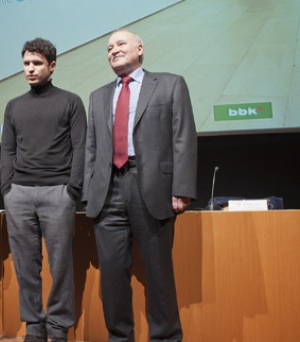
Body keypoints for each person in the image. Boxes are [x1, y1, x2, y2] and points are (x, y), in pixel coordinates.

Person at [83, 30, 197, 342]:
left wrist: (182, 187)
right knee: (112, 276)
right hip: (107, 191)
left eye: (120, 44)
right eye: (109, 48)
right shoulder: (97, 96)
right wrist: (88, 192)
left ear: (140, 48)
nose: (113, 50)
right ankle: (119, 338)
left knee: (158, 274)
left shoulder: (170, 84)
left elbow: (183, 138)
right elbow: (91, 149)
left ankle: (166, 337)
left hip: (151, 188)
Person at [0, 37, 86, 342]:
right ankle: (34, 326)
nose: (30, 69)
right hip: (19, 194)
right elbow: (7, 150)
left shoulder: (71, 101)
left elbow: (80, 147)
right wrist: (7, 190)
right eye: (26, 63)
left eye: (37, 63)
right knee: (26, 266)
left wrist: (71, 190)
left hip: (57, 193)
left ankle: (59, 326)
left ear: (52, 66)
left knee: (61, 264)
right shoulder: (14, 106)